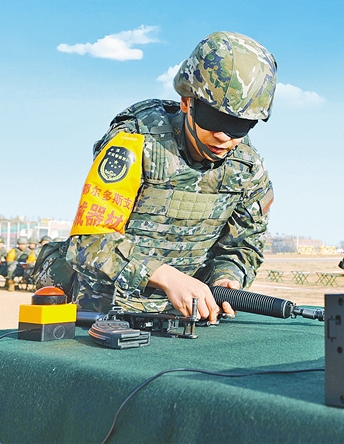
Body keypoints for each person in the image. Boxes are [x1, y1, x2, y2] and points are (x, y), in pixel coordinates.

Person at [35, 31, 276, 323]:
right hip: (104, 315)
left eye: (239, 126)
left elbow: (243, 246)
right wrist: (166, 277)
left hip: (185, 320)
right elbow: (90, 241)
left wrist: (228, 278)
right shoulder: (134, 142)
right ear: (187, 102)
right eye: (213, 120)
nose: (224, 137)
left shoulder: (247, 168)